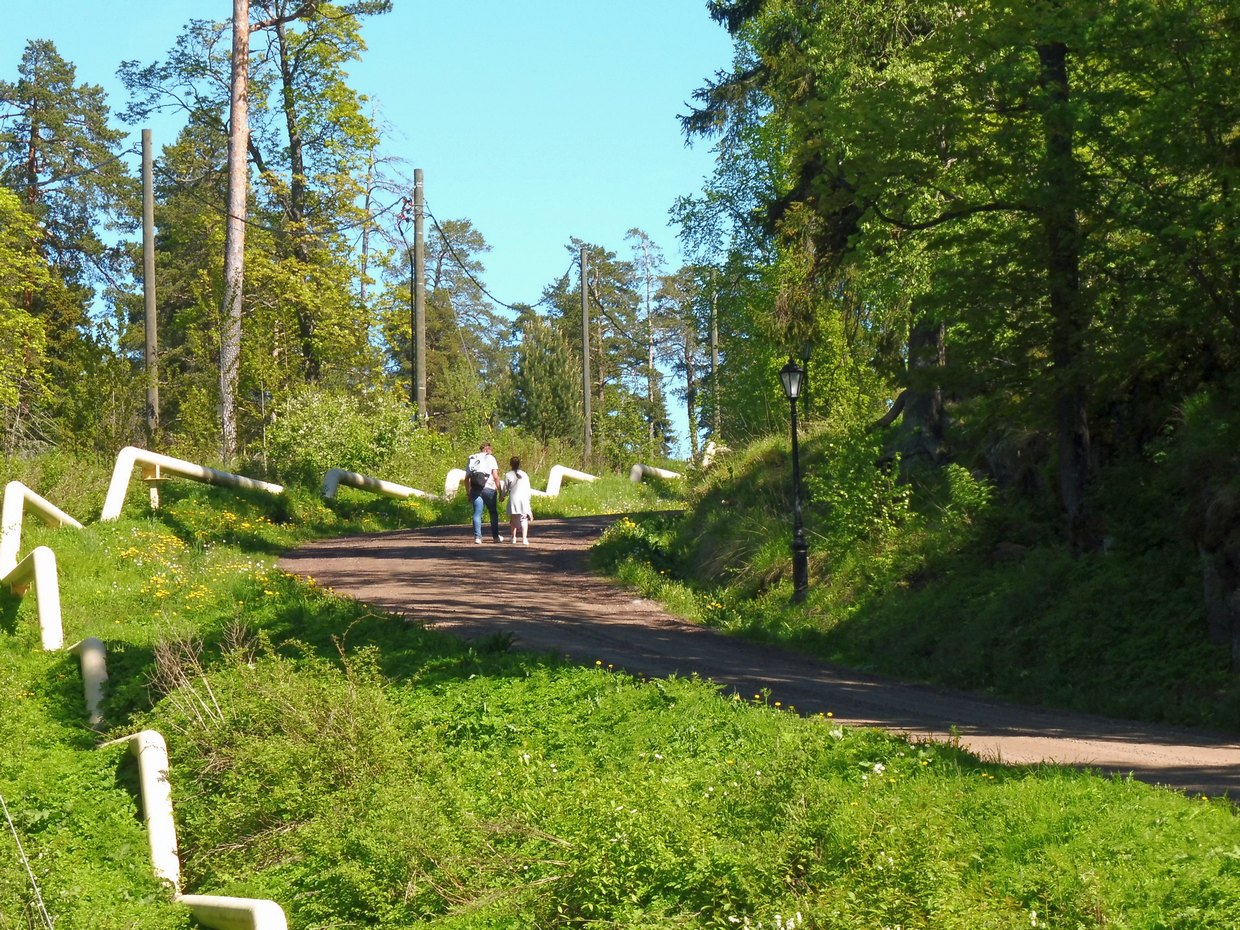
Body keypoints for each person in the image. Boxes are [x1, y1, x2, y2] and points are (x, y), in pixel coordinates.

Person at [465, 442, 501, 543]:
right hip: (489, 488)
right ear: (487, 449)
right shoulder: (491, 458)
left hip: (476, 488)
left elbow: (466, 478)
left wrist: (468, 493)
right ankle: (495, 537)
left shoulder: (472, 458)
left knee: (477, 513)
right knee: (493, 513)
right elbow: (495, 476)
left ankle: (478, 537)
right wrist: (500, 491)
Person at [501, 456, 534, 545]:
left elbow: (505, 488)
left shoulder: (508, 475)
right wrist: (529, 499)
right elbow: (528, 488)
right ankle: (524, 538)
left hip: (514, 498)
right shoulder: (525, 474)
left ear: (510, 464)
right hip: (523, 498)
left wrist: (502, 496)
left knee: (513, 518)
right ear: (519, 464)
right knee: (524, 519)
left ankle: (513, 537)